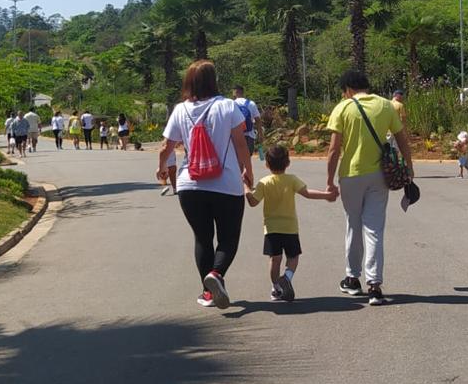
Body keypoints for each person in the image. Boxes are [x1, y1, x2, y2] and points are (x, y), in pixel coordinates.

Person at [157, 59, 252, 310]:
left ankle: (208, 293)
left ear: (189, 81)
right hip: (226, 184)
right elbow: (240, 143)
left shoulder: (180, 109)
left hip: (190, 185)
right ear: (213, 80)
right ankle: (216, 274)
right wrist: (248, 171)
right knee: (228, 238)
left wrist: (161, 168)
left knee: (202, 238)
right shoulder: (228, 106)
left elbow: (166, 147)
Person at [325, 69, 414, 306]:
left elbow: (334, 149)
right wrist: (409, 168)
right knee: (374, 229)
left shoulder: (343, 108)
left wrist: (329, 181)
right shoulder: (386, 105)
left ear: (348, 89)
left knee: (353, 225)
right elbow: (402, 139)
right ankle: (374, 286)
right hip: (379, 176)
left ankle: (352, 279)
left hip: (351, 175)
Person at [246, 143, 337, 302]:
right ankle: (286, 277)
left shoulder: (264, 182)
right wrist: (326, 195)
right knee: (293, 257)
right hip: (290, 228)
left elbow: (253, 202)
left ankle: (276, 288)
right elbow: (307, 193)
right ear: (288, 163)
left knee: (274, 260)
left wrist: (246, 188)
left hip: (272, 229)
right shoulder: (292, 180)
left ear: (267, 164)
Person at [231, 85, 263, 157]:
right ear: (242, 92)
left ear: (235, 92)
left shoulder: (231, 104)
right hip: (249, 135)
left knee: (238, 158)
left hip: (236, 136)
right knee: (247, 157)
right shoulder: (251, 103)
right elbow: (258, 120)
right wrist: (260, 134)